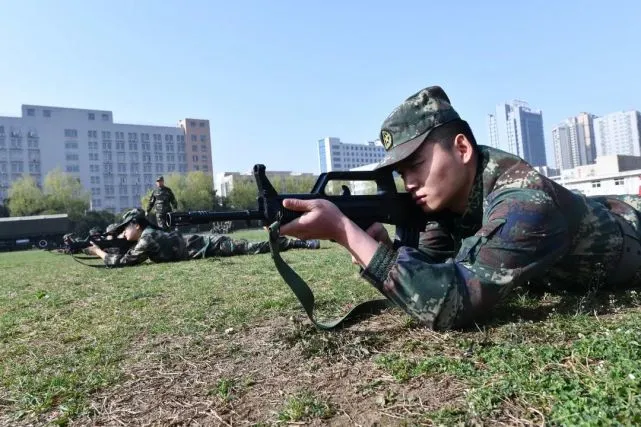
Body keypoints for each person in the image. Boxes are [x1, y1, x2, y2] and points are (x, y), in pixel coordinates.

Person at [278, 85, 641, 330]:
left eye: (416, 165)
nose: (410, 182)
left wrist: (345, 232)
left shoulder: (525, 201)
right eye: (402, 173)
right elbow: (433, 271)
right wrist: (385, 251)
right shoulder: (446, 203)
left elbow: (452, 304)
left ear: (462, 148)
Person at [86, 208, 321, 267]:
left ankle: (297, 242)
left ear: (136, 225)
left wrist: (99, 252)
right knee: (252, 247)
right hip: (205, 245)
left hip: (211, 245)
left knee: (253, 247)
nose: (123, 233)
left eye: (125, 228)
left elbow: (127, 262)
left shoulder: (147, 238)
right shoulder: (145, 236)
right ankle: (292, 241)